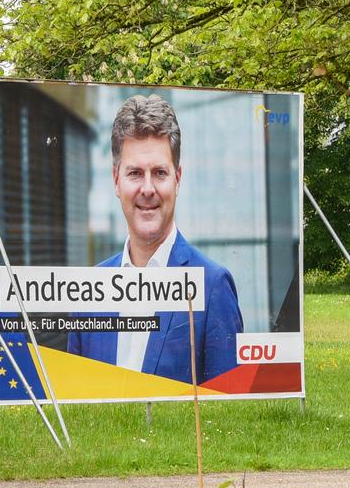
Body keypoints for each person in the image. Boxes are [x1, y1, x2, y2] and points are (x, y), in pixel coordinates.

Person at [64, 94, 244, 383]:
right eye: (135, 173)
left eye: (159, 173)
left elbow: (227, 413)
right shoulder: (88, 291)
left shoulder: (212, 286)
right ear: (116, 181)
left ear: (177, 178)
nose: (147, 189)